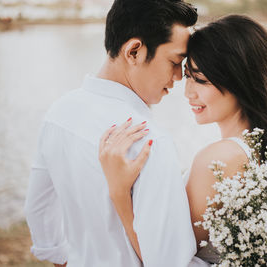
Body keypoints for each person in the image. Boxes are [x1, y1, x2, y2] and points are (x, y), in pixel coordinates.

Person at [98, 14, 267, 264]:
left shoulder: (218, 160)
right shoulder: (261, 146)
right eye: (188, 76)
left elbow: (166, 261)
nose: (188, 92)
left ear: (239, 80)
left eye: (200, 79)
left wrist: (119, 192)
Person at [24, 0, 210, 266]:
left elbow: (38, 208)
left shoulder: (58, 113)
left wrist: (64, 258)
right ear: (134, 51)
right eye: (174, 61)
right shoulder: (149, 141)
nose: (179, 77)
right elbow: (171, 261)